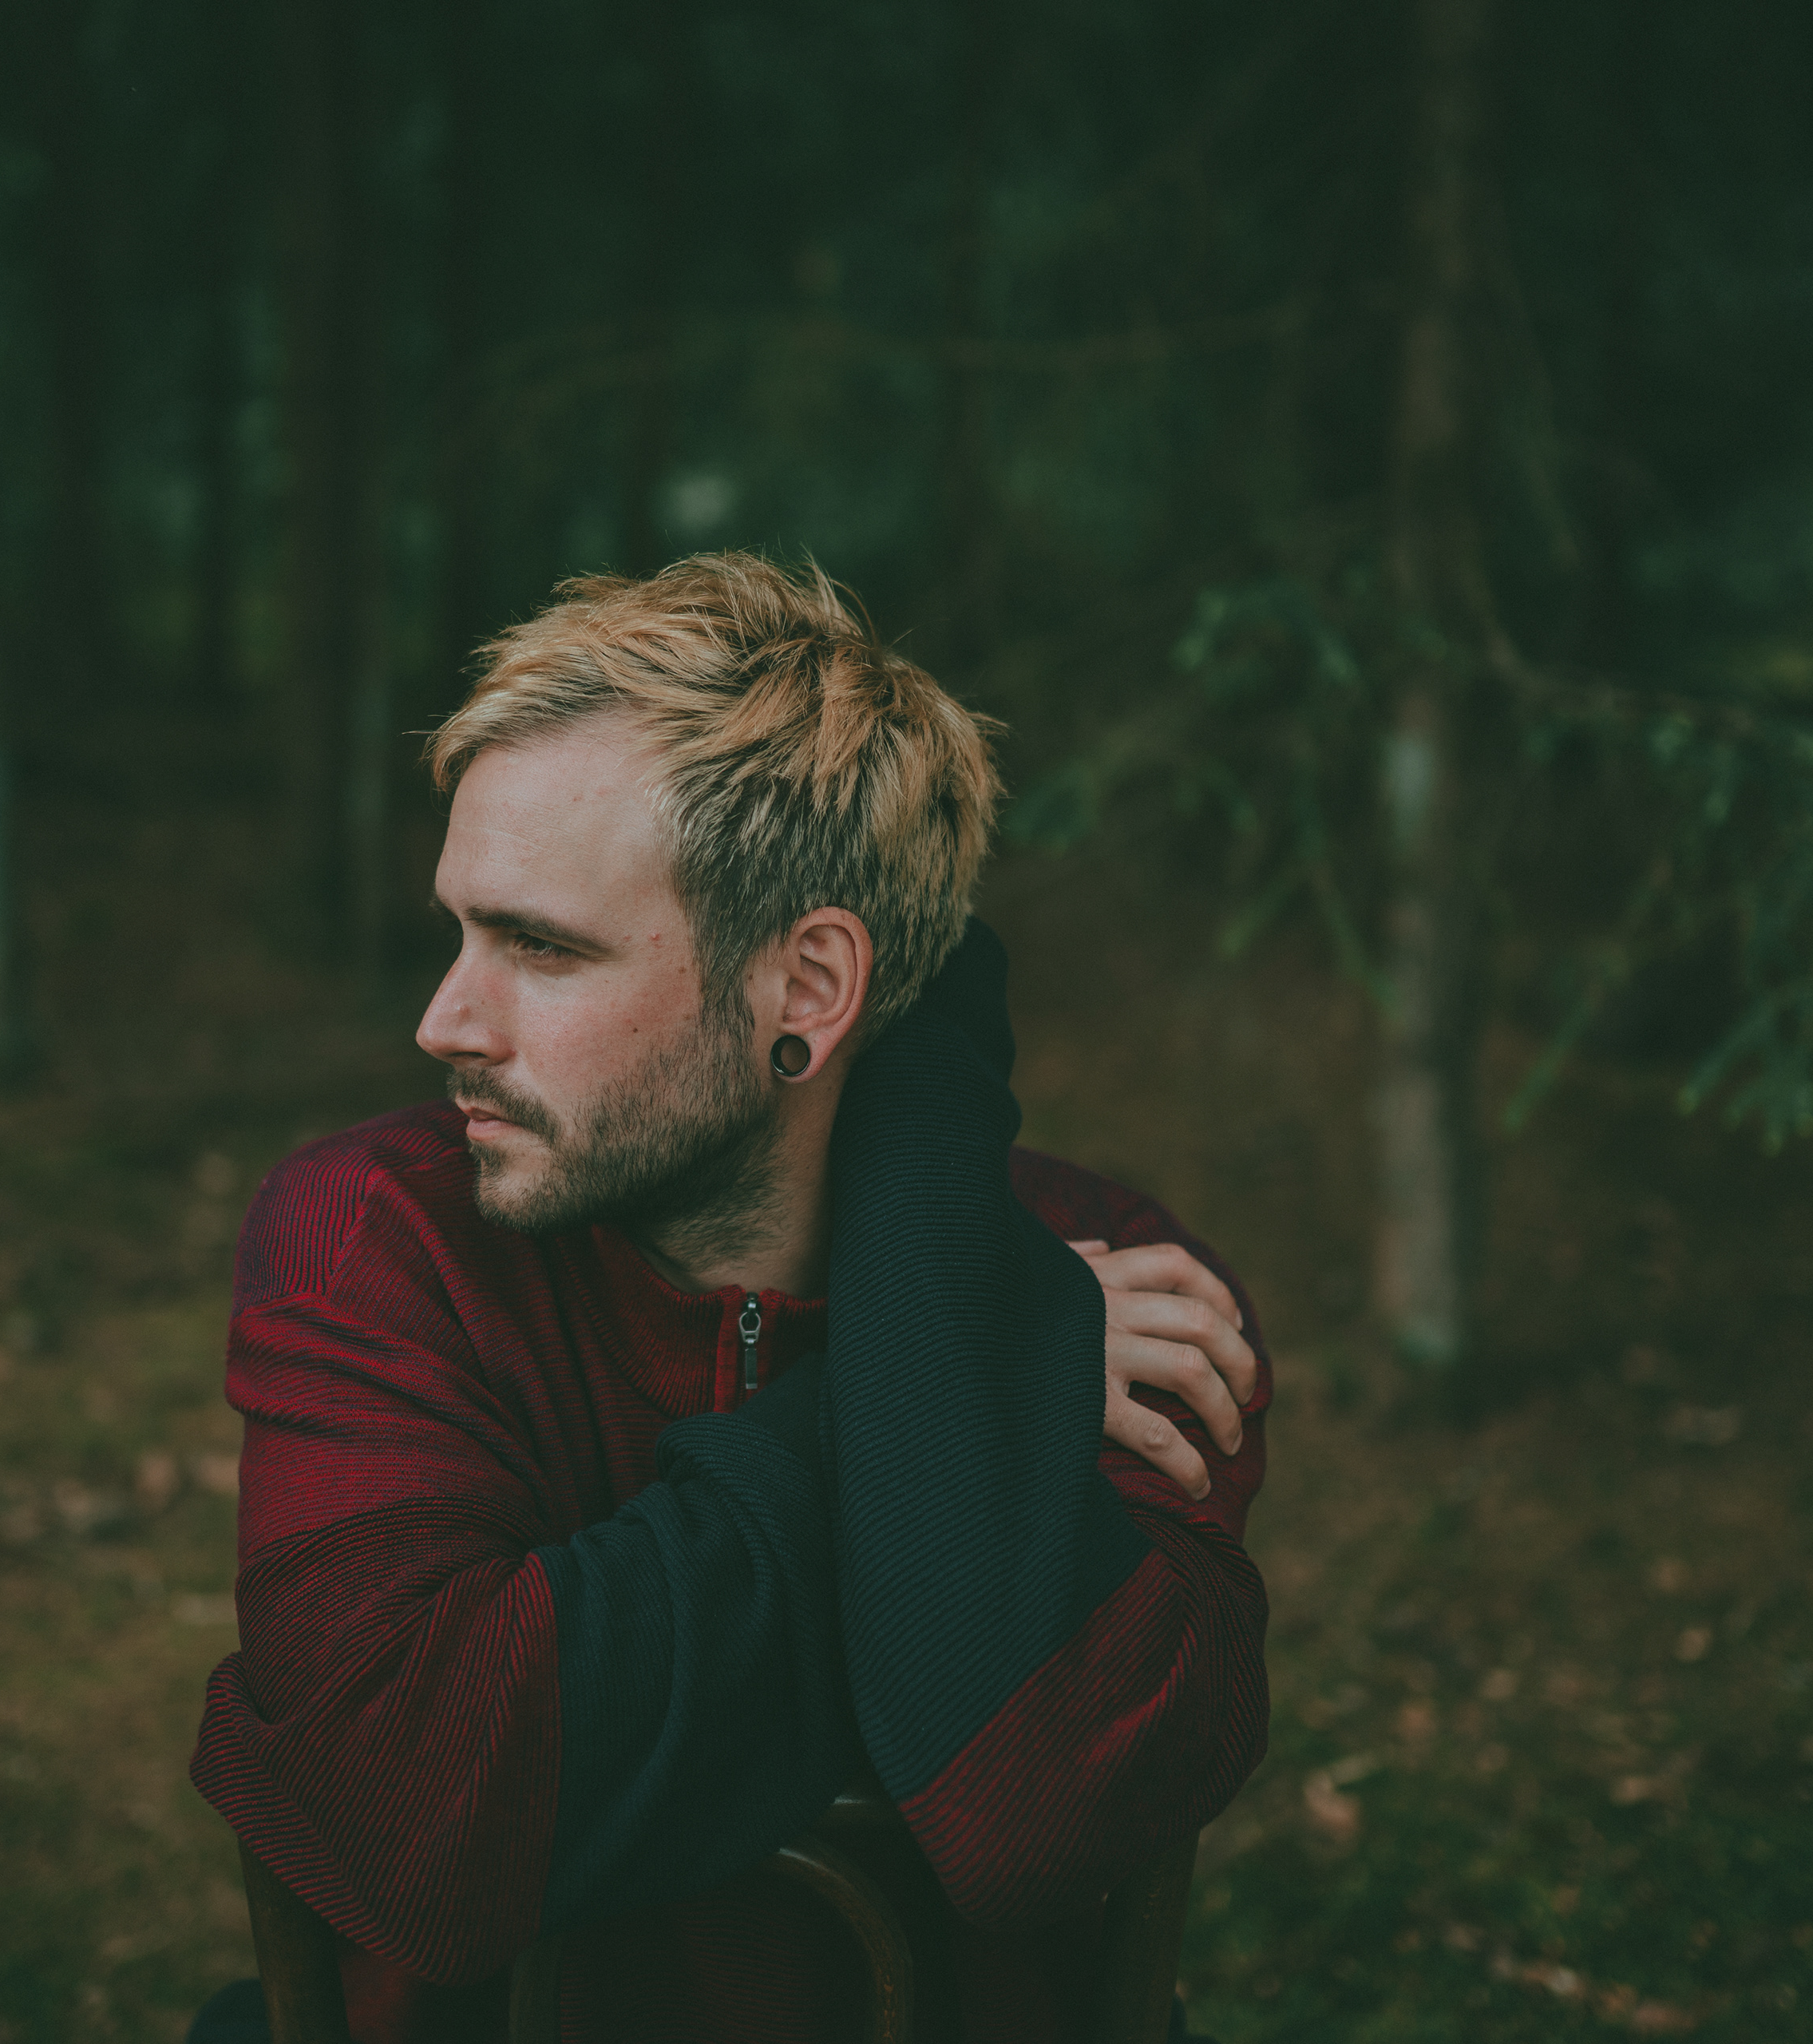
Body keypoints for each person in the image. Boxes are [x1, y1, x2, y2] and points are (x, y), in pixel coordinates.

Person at [188, 554, 1269, 2042]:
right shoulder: (379, 1240)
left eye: (541, 947)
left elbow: (1040, 1812)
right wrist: (959, 1384)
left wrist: (938, 1180)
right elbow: (422, 1816)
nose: (444, 1020)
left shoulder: (1120, 1273)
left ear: (810, 988)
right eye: (460, 930)